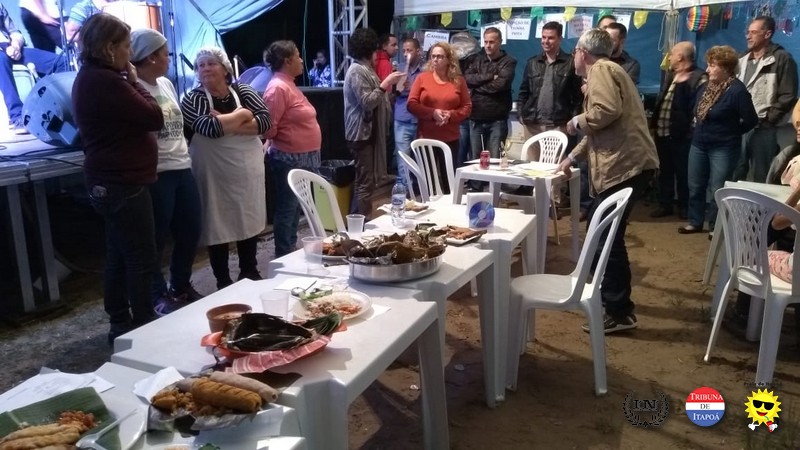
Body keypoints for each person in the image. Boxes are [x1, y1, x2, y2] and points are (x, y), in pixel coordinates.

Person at [558, 28, 659, 334]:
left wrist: (576, 121)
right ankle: (612, 303)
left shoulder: (600, 69)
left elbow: (606, 112)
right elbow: (601, 128)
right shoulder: (609, 70)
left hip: (625, 166)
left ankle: (618, 311)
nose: (574, 58)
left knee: (605, 236)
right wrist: (572, 157)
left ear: (583, 52)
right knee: (604, 234)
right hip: (630, 166)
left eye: (575, 52)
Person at [72, 13, 163, 344]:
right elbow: (154, 116)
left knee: (119, 255)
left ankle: (120, 323)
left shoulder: (90, 77)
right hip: (123, 182)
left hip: (110, 181)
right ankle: (141, 326)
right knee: (140, 257)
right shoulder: (108, 81)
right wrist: (135, 81)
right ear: (110, 48)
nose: (130, 53)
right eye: (125, 46)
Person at [180, 47, 272, 289]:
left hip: (246, 172)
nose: (205, 68)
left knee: (247, 219)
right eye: (201, 65)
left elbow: (265, 122)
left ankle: (249, 271)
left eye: (211, 63)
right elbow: (209, 128)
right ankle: (223, 280)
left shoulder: (243, 90)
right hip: (213, 175)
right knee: (217, 224)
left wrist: (226, 121)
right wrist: (244, 114)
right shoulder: (193, 98)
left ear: (225, 69)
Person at [129, 28, 202, 315]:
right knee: (156, 237)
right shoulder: (133, 87)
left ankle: (180, 285)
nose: (169, 58)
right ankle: (156, 293)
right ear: (150, 57)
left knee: (190, 230)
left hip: (182, 165)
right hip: (157, 171)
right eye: (164, 54)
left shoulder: (166, 84)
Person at [679, 45, 758, 235]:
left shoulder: (737, 91)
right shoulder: (706, 87)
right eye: (708, 65)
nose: (707, 69)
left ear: (726, 67)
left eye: (712, 65)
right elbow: (695, 110)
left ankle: (716, 227)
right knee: (695, 185)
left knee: (718, 188)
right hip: (699, 143)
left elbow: (751, 120)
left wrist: (732, 132)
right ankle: (695, 221)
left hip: (723, 147)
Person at [262, 40, 321, 257]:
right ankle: (284, 253)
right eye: (298, 56)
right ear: (287, 61)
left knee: (296, 207)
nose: (302, 60)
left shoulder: (288, 84)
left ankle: (290, 248)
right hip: (289, 159)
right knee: (288, 207)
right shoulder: (277, 88)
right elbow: (269, 128)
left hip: (303, 158)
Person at [517, 21, 584, 213]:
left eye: (551, 38)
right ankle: (535, 204)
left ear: (560, 39)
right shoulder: (532, 62)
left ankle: (552, 207)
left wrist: (572, 119)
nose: (546, 41)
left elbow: (577, 97)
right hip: (532, 123)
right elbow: (523, 91)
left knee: (553, 168)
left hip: (558, 124)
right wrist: (521, 112)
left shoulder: (570, 63)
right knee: (532, 167)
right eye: (543, 37)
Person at [342, 28, 404, 217]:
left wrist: (396, 90)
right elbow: (367, 102)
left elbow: (379, 100)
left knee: (365, 181)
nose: (377, 54)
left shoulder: (365, 69)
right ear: (369, 50)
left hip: (367, 132)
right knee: (365, 182)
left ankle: (358, 220)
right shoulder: (356, 71)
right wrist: (385, 83)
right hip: (360, 133)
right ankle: (361, 222)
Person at [733, 15, 798, 183]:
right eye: (748, 32)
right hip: (739, 125)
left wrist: (769, 120)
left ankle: (759, 202)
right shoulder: (741, 59)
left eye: (753, 32)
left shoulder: (782, 58)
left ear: (767, 34)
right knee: (736, 170)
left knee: (761, 174)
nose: (748, 36)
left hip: (763, 127)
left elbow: (788, 94)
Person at [650, 42, 707, 220]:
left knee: (683, 172)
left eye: (672, 53)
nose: (669, 57)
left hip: (682, 135)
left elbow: (696, 108)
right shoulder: (671, 75)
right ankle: (665, 204)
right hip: (663, 132)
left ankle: (684, 206)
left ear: (681, 56)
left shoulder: (698, 77)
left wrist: (689, 131)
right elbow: (663, 100)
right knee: (664, 170)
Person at [407, 41, 472, 192]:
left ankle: (448, 205)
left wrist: (451, 115)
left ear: (449, 59)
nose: (435, 59)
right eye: (433, 56)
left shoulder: (458, 81)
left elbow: (467, 107)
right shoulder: (422, 78)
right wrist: (432, 113)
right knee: (428, 182)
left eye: (440, 56)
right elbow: (411, 104)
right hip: (426, 138)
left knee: (448, 181)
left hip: (450, 138)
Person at [0, 2, 66, 132]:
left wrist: (16, 45)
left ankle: (60, 109)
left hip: (10, 47)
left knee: (60, 61)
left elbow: (14, 32)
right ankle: (17, 117)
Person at [464, 26, 516, 160]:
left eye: (491, 42)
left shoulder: (508, 62)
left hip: (497, 120)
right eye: (485, 42)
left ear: (500, 42)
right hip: (476, 118)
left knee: (494, 161)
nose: (488, 45)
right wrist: (490, 76)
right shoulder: (476, 60)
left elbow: (500, 85)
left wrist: (476, 87)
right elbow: (467, 79)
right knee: (476, 161)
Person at [393, 37, 423, 183]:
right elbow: (392, 92)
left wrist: (413, 89)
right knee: (403, 157)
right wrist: (396, 88)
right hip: (402, 118)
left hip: (420, 120)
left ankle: (421, 188)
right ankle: (405, 187)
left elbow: (427, 94)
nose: (406, 54)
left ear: (418, 51)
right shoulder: (399, 69)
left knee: (421, 157)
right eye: (404, 51)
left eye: (409, 50)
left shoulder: (426, 71)